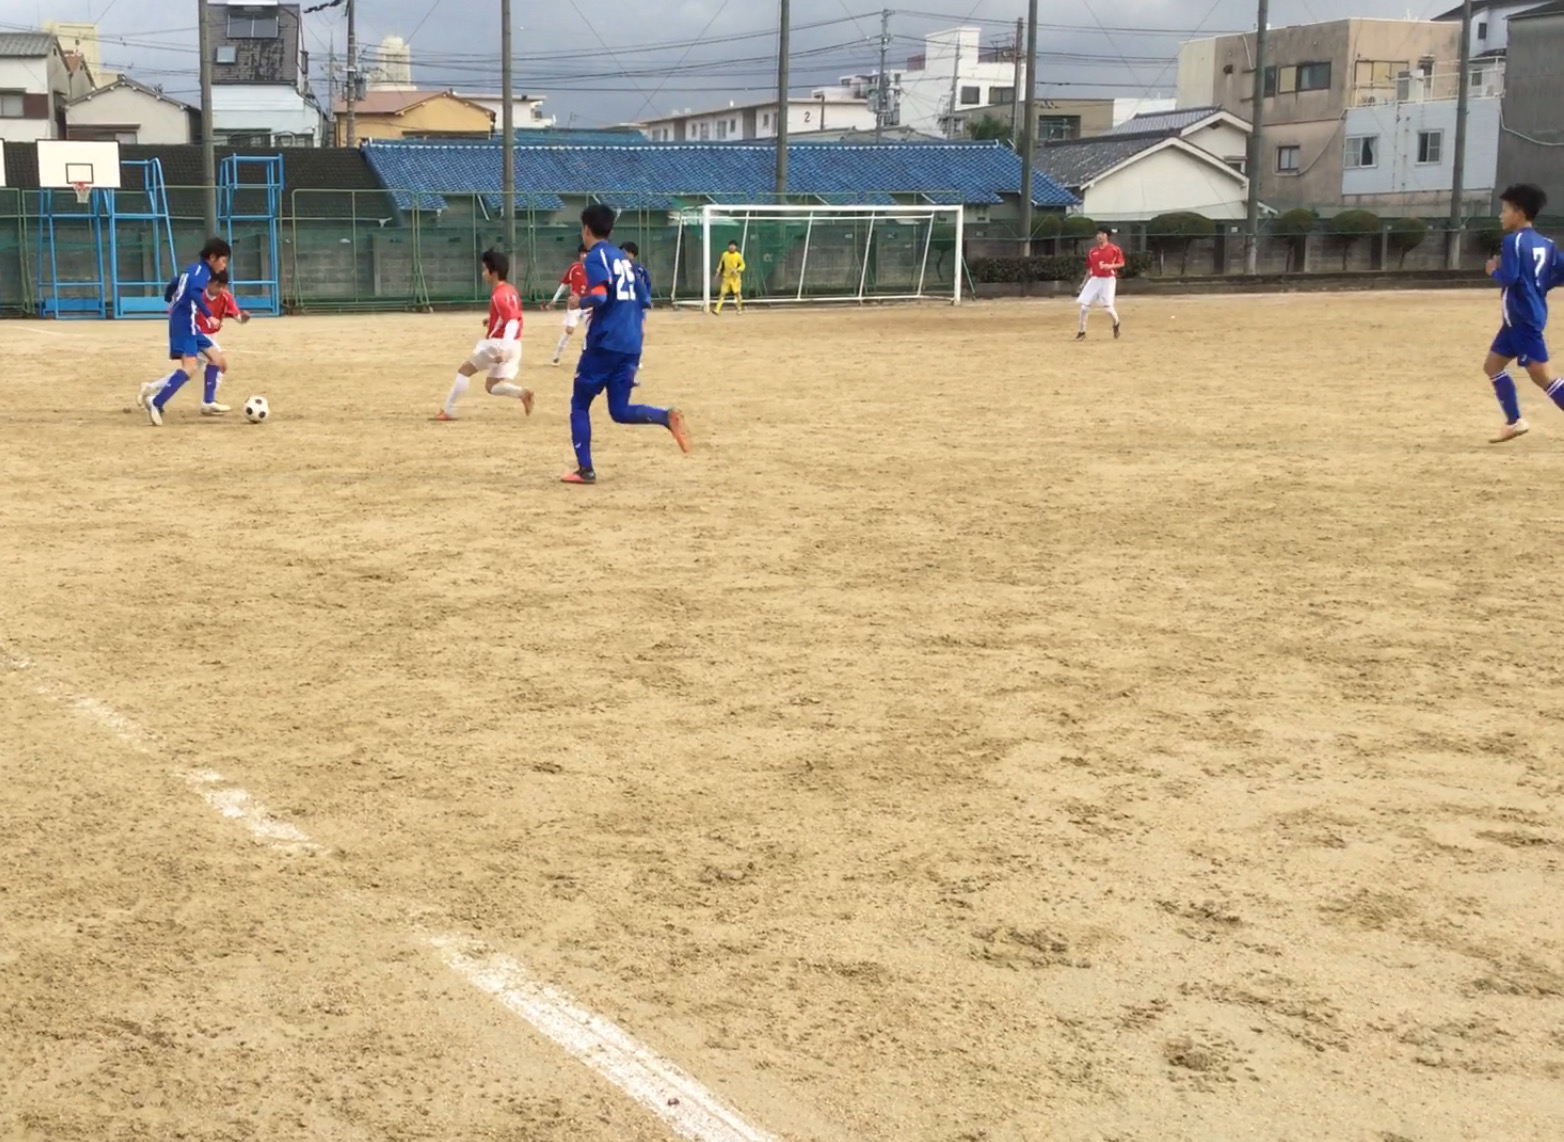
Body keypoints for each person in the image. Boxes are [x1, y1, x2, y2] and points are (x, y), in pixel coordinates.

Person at [563, 203, 689, 485]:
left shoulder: (595, 258)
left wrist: (578, 301)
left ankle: (586, 470)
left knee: (580, 403)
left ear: (586, 229)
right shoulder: (626, 261)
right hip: (632, 344)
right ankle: (665, 417)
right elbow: (645, 301)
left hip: (605, 343)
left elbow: (599, 296)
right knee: (619, 410)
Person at [1485, 184, 1562, 444]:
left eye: (1504, 209)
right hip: (1515, 321)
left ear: (1518, 212)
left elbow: (1510, 277)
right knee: (1492, 366)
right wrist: (1540, 286)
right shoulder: (1547, 243)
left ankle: (1515, 421)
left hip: (1523, 320)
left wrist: (1492, 270)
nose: (1500, 215)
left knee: (1543, 377)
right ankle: (1514, 421)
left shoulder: (1513, 242)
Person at [437, 249, 533, 422]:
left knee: (465, 371)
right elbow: (511, 316)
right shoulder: (510, 290)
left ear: (493, 272)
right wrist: (492, 320)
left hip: (499, 344)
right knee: (492, 386)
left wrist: (503, 349)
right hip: (515, 344)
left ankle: (448, 410)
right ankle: (522, 393)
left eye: (484, 269)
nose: (483, 273)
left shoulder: (498, 295)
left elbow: (512, 321)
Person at [145, 237, 231, 426]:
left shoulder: (192, 269)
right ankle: (156, 402)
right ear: (213, 257)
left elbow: (173, 284)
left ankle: (208, 402)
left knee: (217, 359)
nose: (224, 267)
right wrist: (209, 315)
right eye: (223, 261)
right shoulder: (202, 273)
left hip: (187, 321)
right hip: (185, 322)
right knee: (190, 367)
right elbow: (193, 292)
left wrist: (170, 299)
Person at [138, 268, 248, 415]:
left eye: (224, 287)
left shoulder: (226, 297)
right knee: (215, 364)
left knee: (192, 370)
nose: (221, 290)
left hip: (209, 337)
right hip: (195, 334)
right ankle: (207, 401)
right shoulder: (197, 294)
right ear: (210, 283)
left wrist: (244, 318)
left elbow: (238, 317)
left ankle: (152, 389)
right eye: (219, 286)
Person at [1075, 226, 1124, 340]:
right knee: (1084, 306)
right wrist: (1083, 283)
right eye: (1098, 234)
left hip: (1108, 279)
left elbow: (1121, 263)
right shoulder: (1092, 251)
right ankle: (1082, 331)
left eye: (1102, 234)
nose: (1099, 236)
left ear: (1107, 236)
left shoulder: (1114, 249)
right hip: (1095, 279)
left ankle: (1116, 323)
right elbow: (1089, 269)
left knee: (1108, 308)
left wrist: (1110, 266)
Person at [545, 244, 591, 365]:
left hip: (589, 304)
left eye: (587, 253)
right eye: (582, 253)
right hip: (574, 304)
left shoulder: (595, 269)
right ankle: (556, 355)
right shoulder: (574, 268)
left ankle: (585, 358)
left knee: (591, 331)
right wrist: (554, 299)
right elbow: (564, 284)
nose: (585, 255)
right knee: (569, 330)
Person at [714, 240, 745, 314]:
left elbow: (743, 265)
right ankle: (717, 309)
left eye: (733, 246)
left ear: (736, 247)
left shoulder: (738, 255)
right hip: (726, 278)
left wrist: (737, 270)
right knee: (722, 293)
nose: (732, 247)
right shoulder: (724, 254)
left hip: (735, 279)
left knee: (737, 293)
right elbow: (721, 264)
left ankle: (739, 309)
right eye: (730, 245)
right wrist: (718, 271)